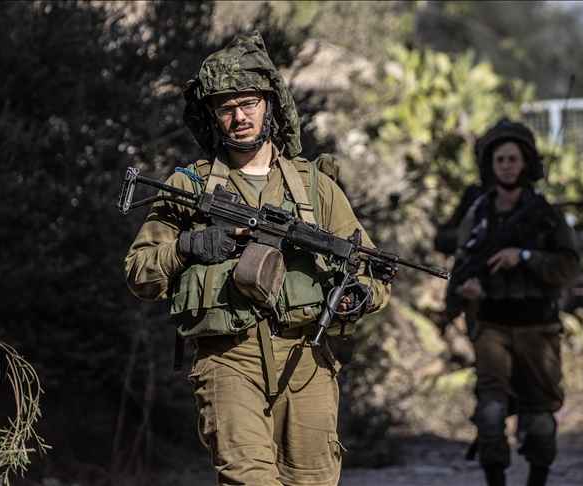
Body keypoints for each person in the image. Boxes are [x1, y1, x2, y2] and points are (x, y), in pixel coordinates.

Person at [123, 32, 390, 486]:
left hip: (305, 359)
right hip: (227, 360)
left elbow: (369, 272)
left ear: (270, 105)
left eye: (249, 103)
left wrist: (357, 298)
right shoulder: (189, 186)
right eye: (226, 108)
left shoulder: (314, 188)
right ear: (212, 116)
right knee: (249, 480)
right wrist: (188, 247)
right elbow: (139, 272)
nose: (239, 117)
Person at [443, 119, 579, 486]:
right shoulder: (478, 214)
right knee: (489, 414)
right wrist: (461, 294)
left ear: (526, 163)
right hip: (492, 326)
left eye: (512, 159)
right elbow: (461, 264)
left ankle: (537, 478)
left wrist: (525, 257)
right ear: (491, 165)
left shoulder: (546, 215)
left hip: (538, 329)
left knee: (539, 420)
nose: (506, 165)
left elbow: (568, 266)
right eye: (499, 159)